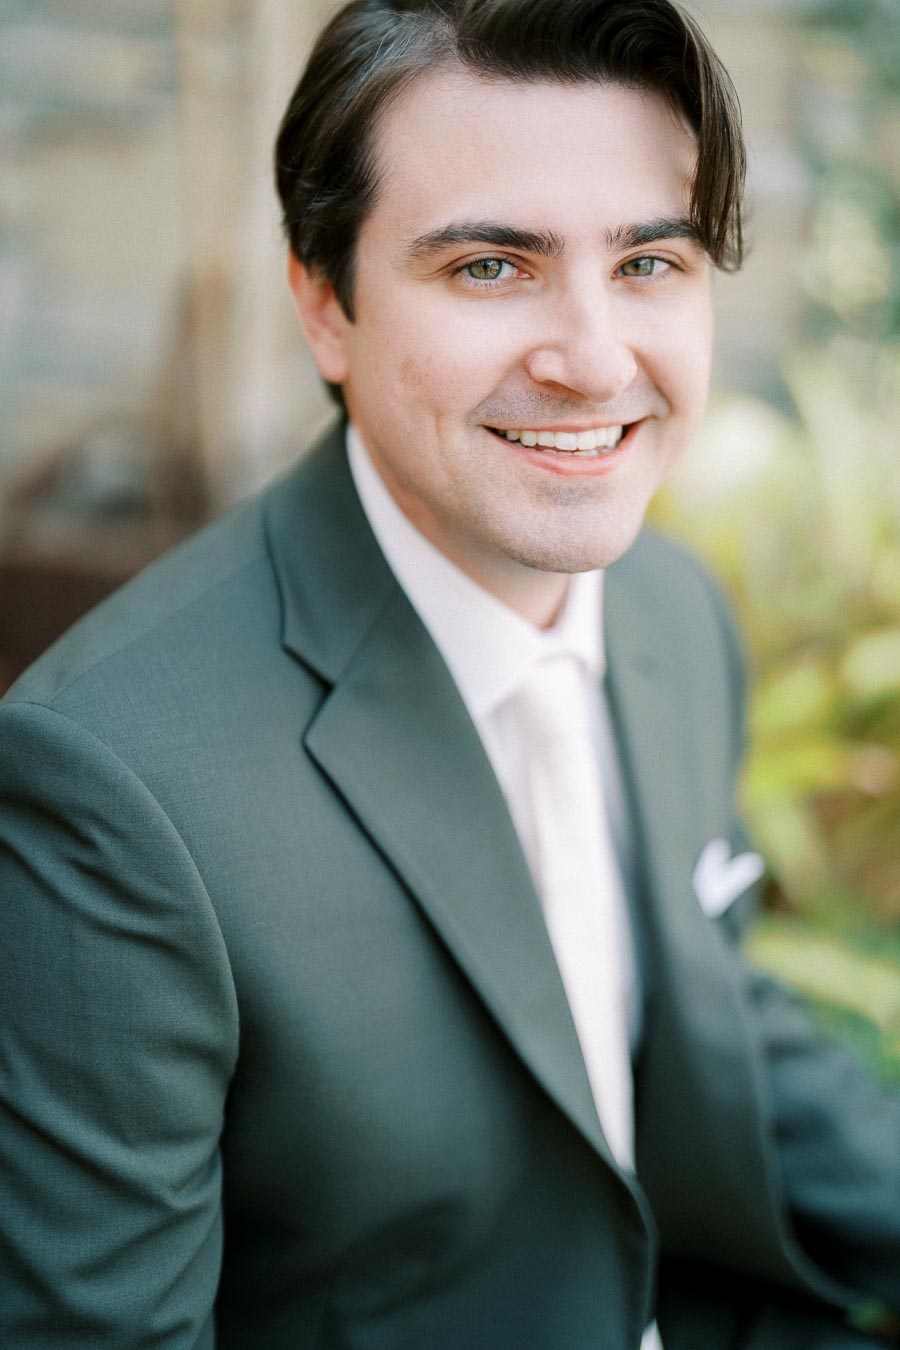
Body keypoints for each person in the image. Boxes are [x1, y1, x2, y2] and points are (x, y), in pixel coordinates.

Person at [1, 0, 898, 1346]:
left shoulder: (669, 608)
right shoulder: (112, 788)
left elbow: (694, 1016)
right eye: (492, 266)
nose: (594, 357)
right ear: (326, 304)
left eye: (649, 262)